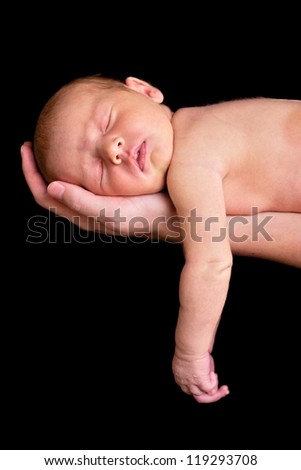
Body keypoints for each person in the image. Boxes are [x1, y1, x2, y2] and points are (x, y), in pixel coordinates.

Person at [21, 74, 301, 404]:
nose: (112, 148)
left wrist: (190, 354)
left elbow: (211, 262)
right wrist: (160, 221)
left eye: (107, 120)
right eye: (97, 170)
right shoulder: (211, 125)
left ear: (145, 90)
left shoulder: (194, 154)